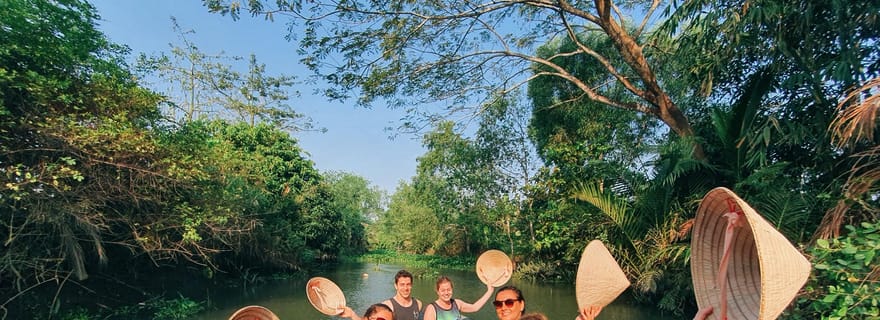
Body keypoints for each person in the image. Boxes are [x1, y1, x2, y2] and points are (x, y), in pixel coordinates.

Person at [422, 276, 494, 320]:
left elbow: (475, 307)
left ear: (452, 289)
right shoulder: (432, 308)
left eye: (449, 290)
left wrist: (490, 291)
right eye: (443, 290)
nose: (446, 293)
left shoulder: (457, 303)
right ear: (437, 292)